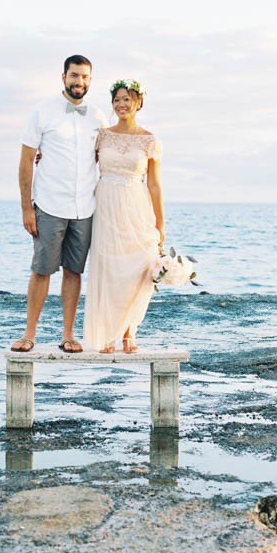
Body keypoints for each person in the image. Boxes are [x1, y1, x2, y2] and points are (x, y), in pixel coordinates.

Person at [11, 55, 108, 353]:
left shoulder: (98, 118)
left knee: (74, 272)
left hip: (85, 208)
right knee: (41, 270)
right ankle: (29, 334)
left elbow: (104, 158)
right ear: (63, 77)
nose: (79, 82)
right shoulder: (43, 112)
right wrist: (27, 208)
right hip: (50, 205)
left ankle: (68, 335)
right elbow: (27, 161)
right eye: (74, 76)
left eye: (85, 77)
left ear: (90, 81)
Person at [83, 79, 164, 353]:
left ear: (139, 102)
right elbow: (79, 162)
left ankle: (129, 331)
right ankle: (107, 333)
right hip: (105, 202)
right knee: (108, 267)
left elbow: (154, 184)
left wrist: (160, 223)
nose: (122, 105)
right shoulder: (102, 135)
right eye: (117, 100)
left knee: (138, 265)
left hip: (135, 204)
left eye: (127, 99)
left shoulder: (149, 139)